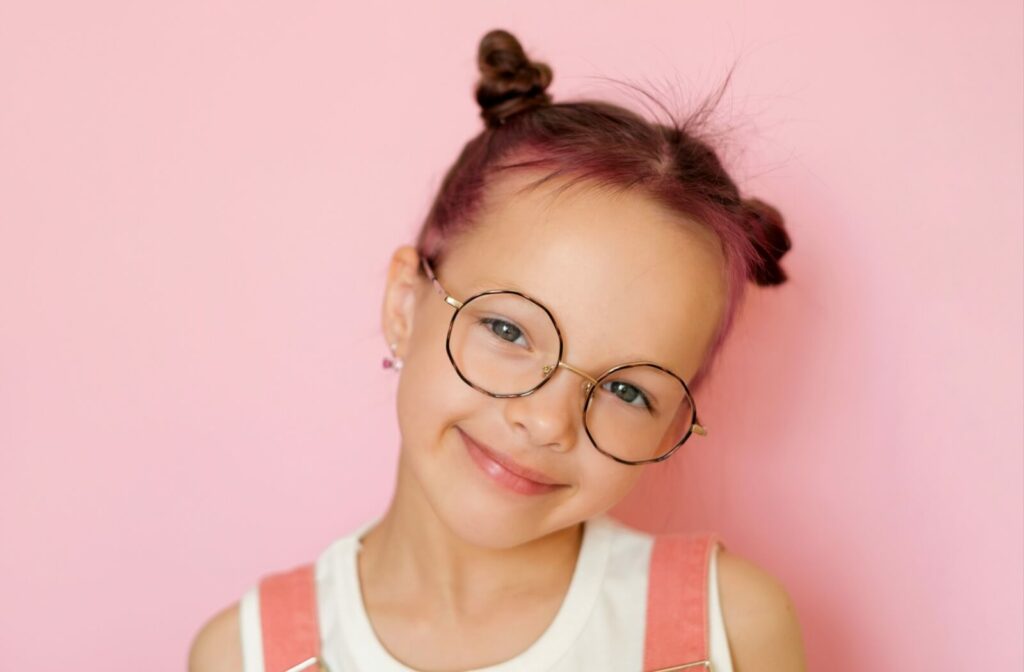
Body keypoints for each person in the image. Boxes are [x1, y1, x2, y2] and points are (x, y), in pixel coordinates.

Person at [189, 28, 806, 672]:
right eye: (509, 331)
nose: (545, 420)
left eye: (627, 390)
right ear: (405, 304)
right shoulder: (247, 654)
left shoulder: (727, 629)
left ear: (674, 424)